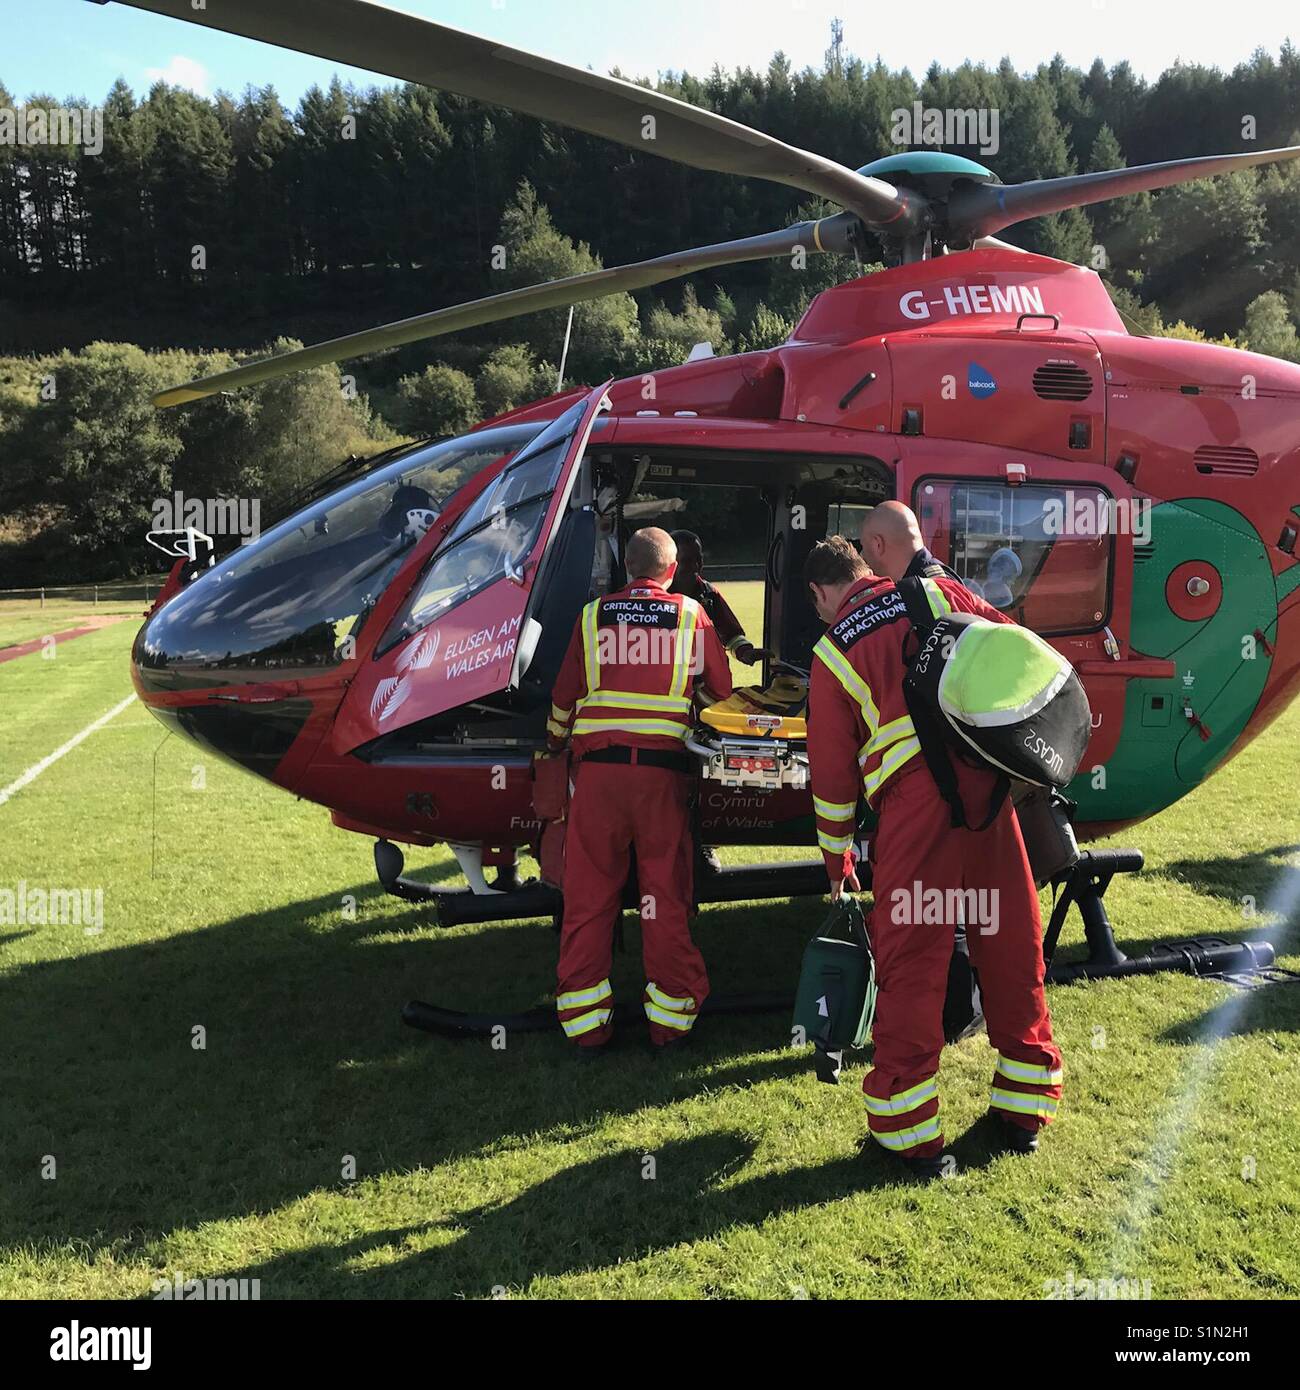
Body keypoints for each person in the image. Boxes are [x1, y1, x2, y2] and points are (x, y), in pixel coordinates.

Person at [804, 507, 1062, 1178]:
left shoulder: (833, 653)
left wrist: (838, 859)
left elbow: (832, 779)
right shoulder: (935, 589)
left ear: (830, 590)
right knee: (1008, 945)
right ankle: (1024, 1109)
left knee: (912, 963)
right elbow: (1014, 646)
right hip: (984, 796)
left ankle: (908, 1132)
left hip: (914, 816)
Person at [545, 527, 733, 1055]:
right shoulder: (692, 615)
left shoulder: (591, 615)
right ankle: (670, 1023)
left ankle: (585, 1026)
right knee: (665, 899)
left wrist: (555, 742)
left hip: (598, 778)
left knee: (588, 898)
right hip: (660, 779)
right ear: (672, 571)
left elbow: (563, 698)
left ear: (626, 567)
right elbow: (720, 692)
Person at [669, 530, 769, 666]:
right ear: (669, 561)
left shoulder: (709, 593)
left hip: (706, 682)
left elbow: (731, 634)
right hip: (668, 682)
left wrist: (744, 651)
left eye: (699, 559)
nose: (695, 566)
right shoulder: (653, 597)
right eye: (687, 561)